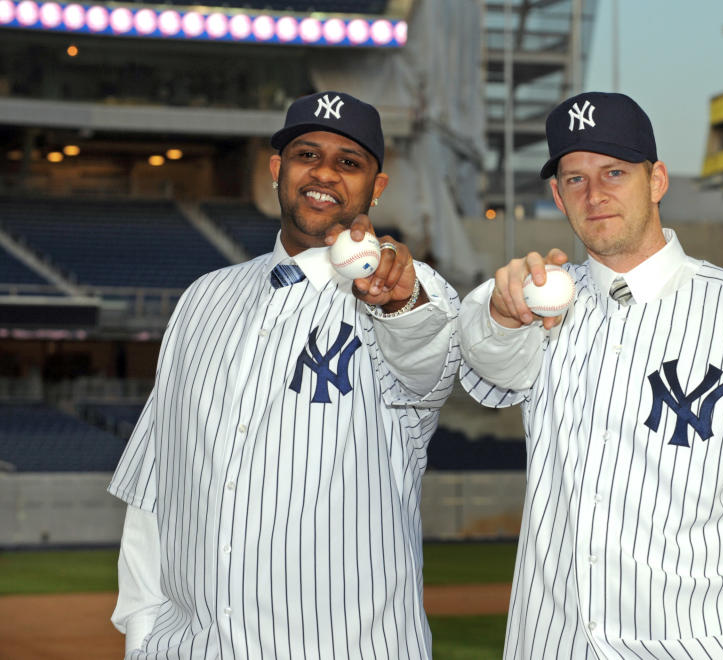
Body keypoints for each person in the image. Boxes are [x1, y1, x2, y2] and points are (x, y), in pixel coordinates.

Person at [458, 92, 723, 660]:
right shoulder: (533, 307)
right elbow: (485, 358)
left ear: (657, 180)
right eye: (574, 179)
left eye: (614, 171)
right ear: (556, 195)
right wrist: (503, 311)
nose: (594, 195)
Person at [109, 91, 461, 658]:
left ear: (377, 186)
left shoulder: (408, 290)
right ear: (277, 169)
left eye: (349, 162)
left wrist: (400, 303)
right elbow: (156, 485)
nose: (324, 172)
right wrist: (143, 634)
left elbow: (428, 360)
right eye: (307, 154)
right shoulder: (204, 297)